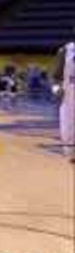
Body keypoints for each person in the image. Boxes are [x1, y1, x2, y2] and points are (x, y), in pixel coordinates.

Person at [52, 34, 75, 163]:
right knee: (69, 129)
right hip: (69, 96)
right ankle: (71, 155)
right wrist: (56, 89)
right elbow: (56, 77)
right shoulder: (65, 50)